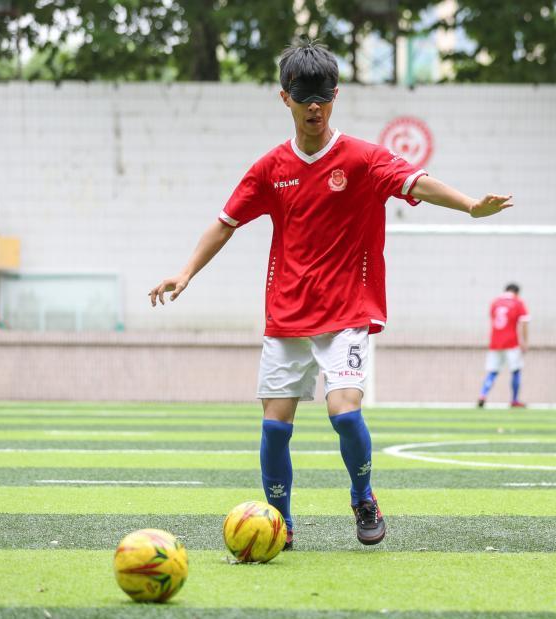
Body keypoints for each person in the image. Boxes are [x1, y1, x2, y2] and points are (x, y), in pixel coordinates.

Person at [148, 41, 512, 548]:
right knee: (275, 427)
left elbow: (417, 182)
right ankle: (279, 523)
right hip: (286, 316)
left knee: (344, 410)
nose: (314, 106)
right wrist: (185, 273)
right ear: (285, 99)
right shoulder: (270, 168)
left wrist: (470, 204)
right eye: (303, 96)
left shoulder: (363, 158)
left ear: (335, 95)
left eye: (322, 95)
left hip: (346, 313)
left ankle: (363, 494)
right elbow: (225, 223)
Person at [477, 283, 530, 408]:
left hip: (495, 343)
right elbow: (524, 323)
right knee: (515, 370)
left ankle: (482, 395)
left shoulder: (495, 302)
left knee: (492, 371)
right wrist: (524, 342)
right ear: (516, 292)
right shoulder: (518, 303)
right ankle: (514, 399)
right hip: (512, 343)